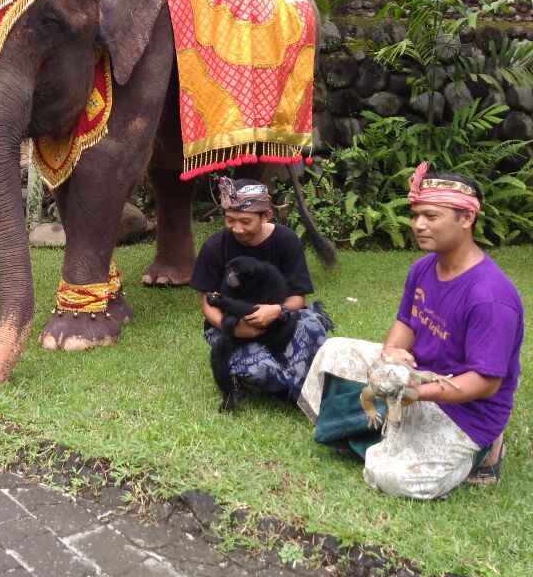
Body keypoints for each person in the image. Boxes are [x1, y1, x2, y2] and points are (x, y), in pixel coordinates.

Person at [299, 166, 523, 500]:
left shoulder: (491, 297)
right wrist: (391, 354)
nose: (418, 224)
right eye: (415, 215)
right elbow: (406, 322)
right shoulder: (423, 267)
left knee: (395, 477)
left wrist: (414, 393)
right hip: (415, 375)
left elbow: (485, 383)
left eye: (431, 216)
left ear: (466, 218)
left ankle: (486, 453)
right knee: (333, 352)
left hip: (463, 408)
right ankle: (389, 433)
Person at [189, 177, 330, 403]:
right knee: (261, 370)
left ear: (265, 216)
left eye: (245, 221)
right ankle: (245, 375)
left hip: (278, 319)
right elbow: (208, 301)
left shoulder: (286, 240)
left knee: (313, 324)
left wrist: (276, 310)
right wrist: (235, 330)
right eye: (230, 220)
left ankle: (299, 378)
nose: (237, 228)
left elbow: (297, 298)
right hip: (230, 323)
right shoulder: (214, 247)